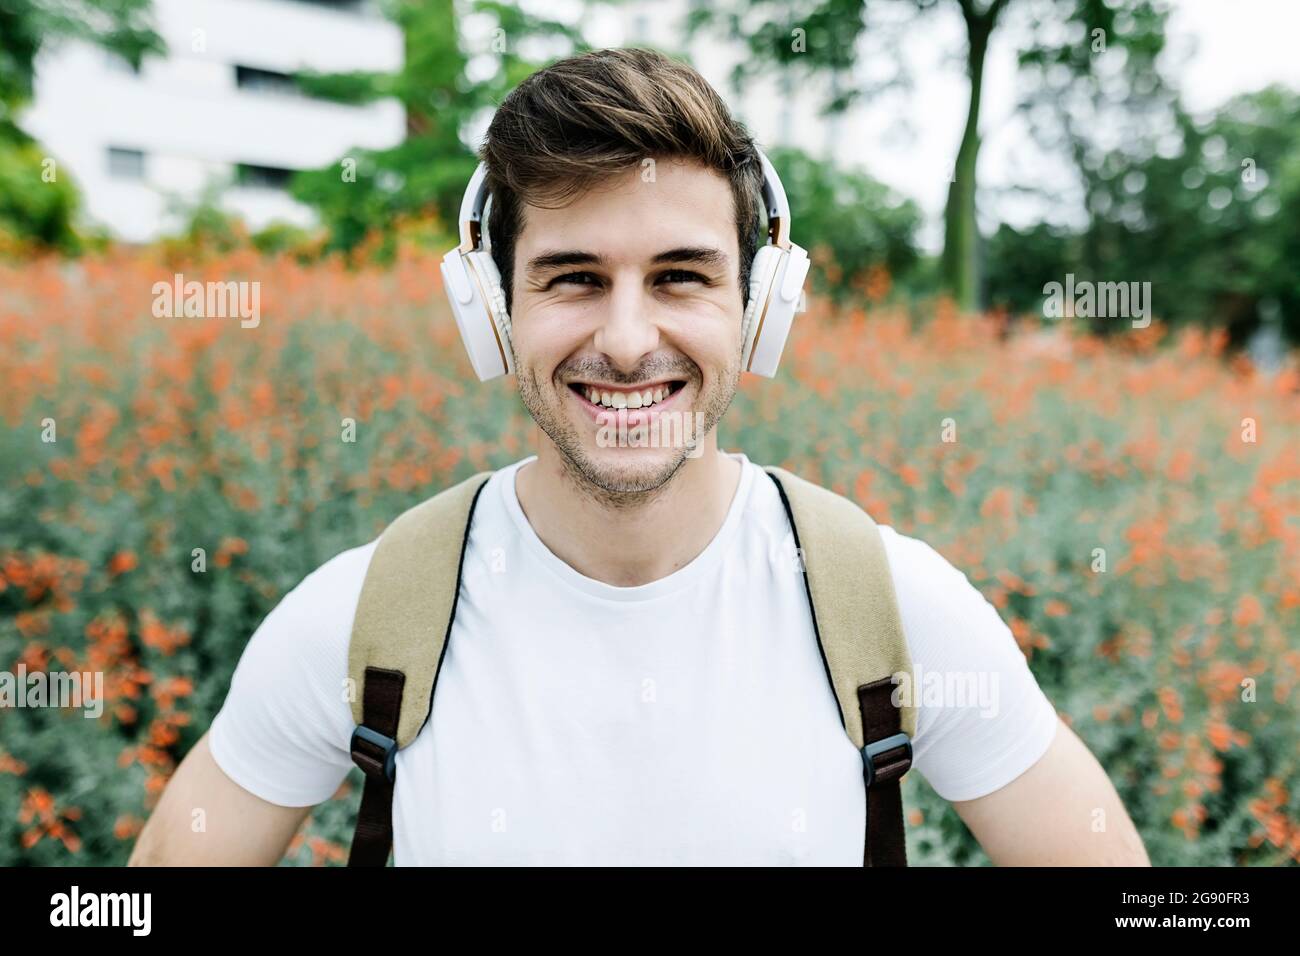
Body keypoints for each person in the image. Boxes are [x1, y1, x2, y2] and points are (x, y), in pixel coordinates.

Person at [130, 48, 1148, 866]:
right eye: (574, 276)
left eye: (679, 276)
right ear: (493, 309)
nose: (625, 338)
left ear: (756, 309)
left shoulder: (888, 609)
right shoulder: (367, 620)